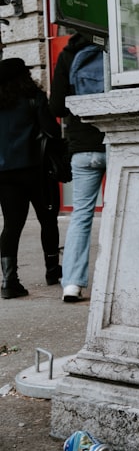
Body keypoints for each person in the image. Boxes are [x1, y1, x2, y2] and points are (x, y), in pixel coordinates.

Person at [50, 32, 106, 303]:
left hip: (82, 147)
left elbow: (57, 106)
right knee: (122, 212)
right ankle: (116, 277)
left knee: (81, 215)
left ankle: (72, 283)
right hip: (115, 141)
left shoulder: (67, 55)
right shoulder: (115, 49)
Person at [0, 57, 63, 298]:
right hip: (36, 170)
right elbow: (52, 131)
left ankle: (9, 281)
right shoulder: (33, 98)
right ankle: (52, 270)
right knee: (48, 219)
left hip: (4, 174)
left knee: (12, 225)